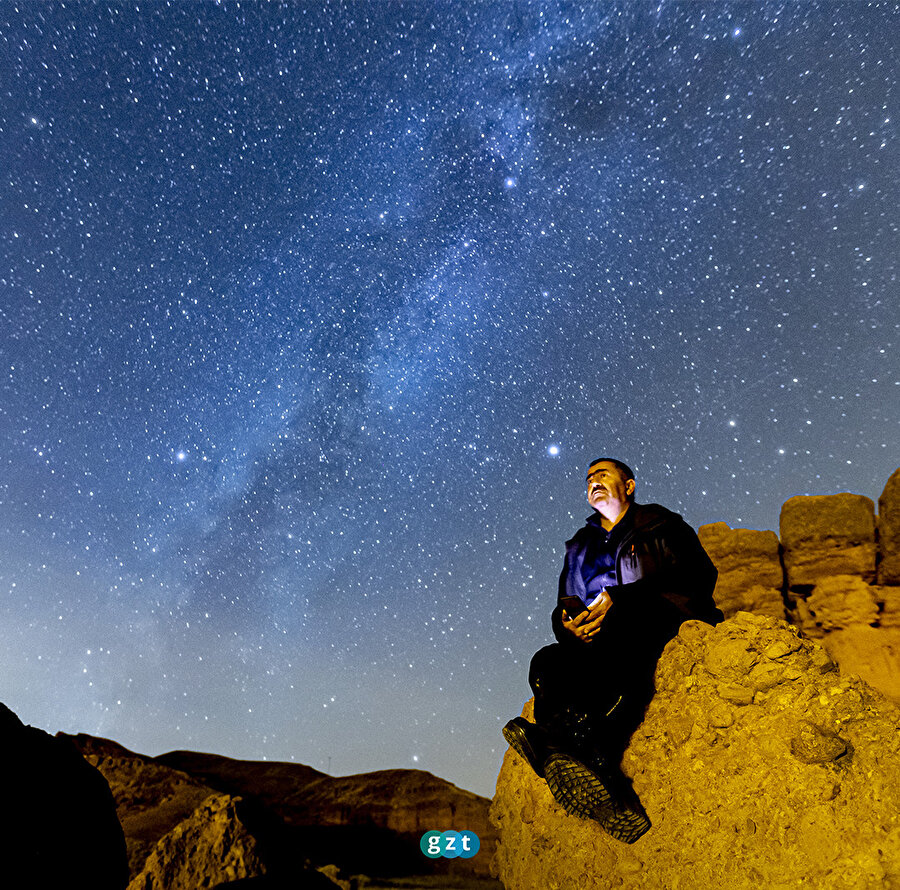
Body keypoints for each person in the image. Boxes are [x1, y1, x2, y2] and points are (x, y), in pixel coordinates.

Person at [503, 457, 722, 843]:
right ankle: (575, 760)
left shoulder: (662, 525)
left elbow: (697, 578)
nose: (594, 482)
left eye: (603, 475)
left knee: (623, 629)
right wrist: (569, 627)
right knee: (547, 661)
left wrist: (621, 598)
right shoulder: (579, 547)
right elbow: (565, 602)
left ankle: (566, 749)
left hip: (662, 620)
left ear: (630, 485)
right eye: (589, 479)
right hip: (601, 637)